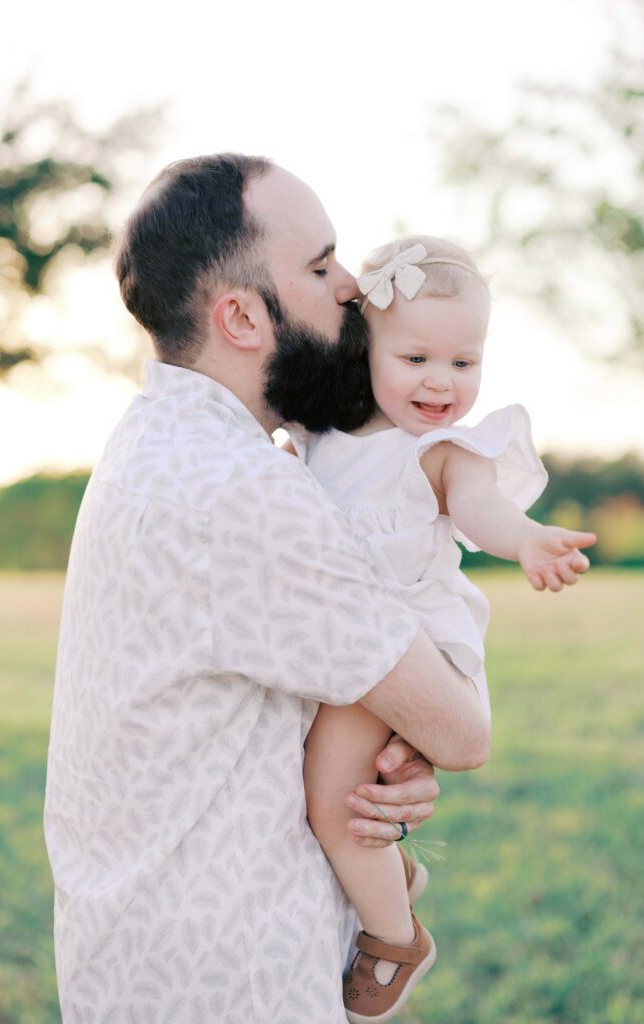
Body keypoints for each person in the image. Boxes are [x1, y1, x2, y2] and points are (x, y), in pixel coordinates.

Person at [43, 157, 491, 1024]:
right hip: (227, 979)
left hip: (143, 958)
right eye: (321, 267)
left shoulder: (159, 442)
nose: (355, 287)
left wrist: (385, 763)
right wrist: (420, 736)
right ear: (242, 316)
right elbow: (463, 729)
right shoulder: (242, 492)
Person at [288, 234, 597, 1022]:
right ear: (366, 350)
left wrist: (525, 539)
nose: (441, 383)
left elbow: (481, 508)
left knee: (334, 800)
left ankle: (394, 938)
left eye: (464, 363)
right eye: (417, 358)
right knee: (337, 790)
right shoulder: (325, 437)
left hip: (403, 638)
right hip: (352, 636)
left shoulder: (444, 450)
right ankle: (390, 873)